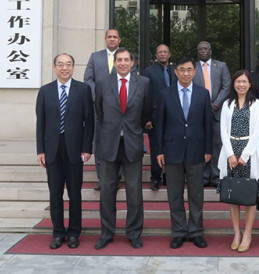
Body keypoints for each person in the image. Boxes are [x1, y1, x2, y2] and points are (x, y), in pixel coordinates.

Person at [94, 48, 151, 250]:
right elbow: (100, 112)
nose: (123, 63)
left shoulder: (143, 83)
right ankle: (106, 233)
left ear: (132, 63)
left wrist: (132, 129)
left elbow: (146, 113)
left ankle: (134, 233)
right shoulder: (102, 83)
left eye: (127, 60)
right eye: (120, 60)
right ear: (115, 62)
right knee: (107, 192)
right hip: (109, 144)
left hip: (133, 143)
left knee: (134, 193)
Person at [36, 53, 94, 249]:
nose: (64, 68)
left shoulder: (83, 90)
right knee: (55, 194)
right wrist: (40, 150)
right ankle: (58, 233)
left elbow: (89, 122)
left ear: (73, 67)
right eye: (60, 64)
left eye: (68, 64)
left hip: (75, 150)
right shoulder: (45, 91)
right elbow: (41, 124)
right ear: (54, 68)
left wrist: (87, 148)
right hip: (52, 150)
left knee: (75, 194)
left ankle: (74, 233)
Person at [155, 57, 213, 249]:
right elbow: (159, 125)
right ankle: (179, 232)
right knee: (175, 194)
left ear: (194, 72)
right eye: (182, 69)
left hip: (197, 151)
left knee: (196, 194)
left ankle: (196, 231)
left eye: (189, 69)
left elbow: (208, 124)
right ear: (176, 72)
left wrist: (208, 149)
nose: (186, 73)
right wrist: (159, 151)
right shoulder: (165, 94)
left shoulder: (203, 94)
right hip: (172, 151)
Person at [218, 70, 259, 253]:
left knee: (249, 195)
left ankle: (247, 233)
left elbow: (257, 132)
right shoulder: (227, 104)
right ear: (234, 84)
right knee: (233, 194)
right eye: (238, 81)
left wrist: (244, 155)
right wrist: (231, 154)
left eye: (244, 82)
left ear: (249, 84)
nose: (241, 85)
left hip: (249, 154)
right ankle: (236, 233)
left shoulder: (256, 104)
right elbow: (223, 130)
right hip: (230, 154)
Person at [84, 29, 121, 191]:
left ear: (119, 40)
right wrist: (100, 95)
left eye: (115, 37)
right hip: (98, 109)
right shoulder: (95, 57)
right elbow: (88, 79)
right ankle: (103, 178)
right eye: (110, 37)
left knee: (118, 144)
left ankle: (117, 178)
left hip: (120, 110)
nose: (112, 39)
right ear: (105, 39)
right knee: (99, 144)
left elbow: (131, 79)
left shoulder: (126, 57)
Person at [193, 41, 231, 187]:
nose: (203, 51)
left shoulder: (221, 66)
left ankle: (215, 176)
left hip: (218, 112)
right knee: (200, 145)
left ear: (211, 50)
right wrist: (205, 105)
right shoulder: (193, 67)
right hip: (198, 113)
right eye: (200, 49)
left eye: (206, 48)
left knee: (217, 144)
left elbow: (227, 86)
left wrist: (216, 104)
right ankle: (203, 177)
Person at [141, 44, 177, 190]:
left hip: (174, 116)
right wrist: (146, 118)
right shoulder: (148, 72)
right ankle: (155, 178)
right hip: (155, 116)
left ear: (169, 54)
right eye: (160, 52)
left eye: (165, 52)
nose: (162, 54)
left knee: (172, 147)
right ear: (156, 55)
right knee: (156, 148)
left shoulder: (176, 71)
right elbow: (144, 96)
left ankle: (169, 177)